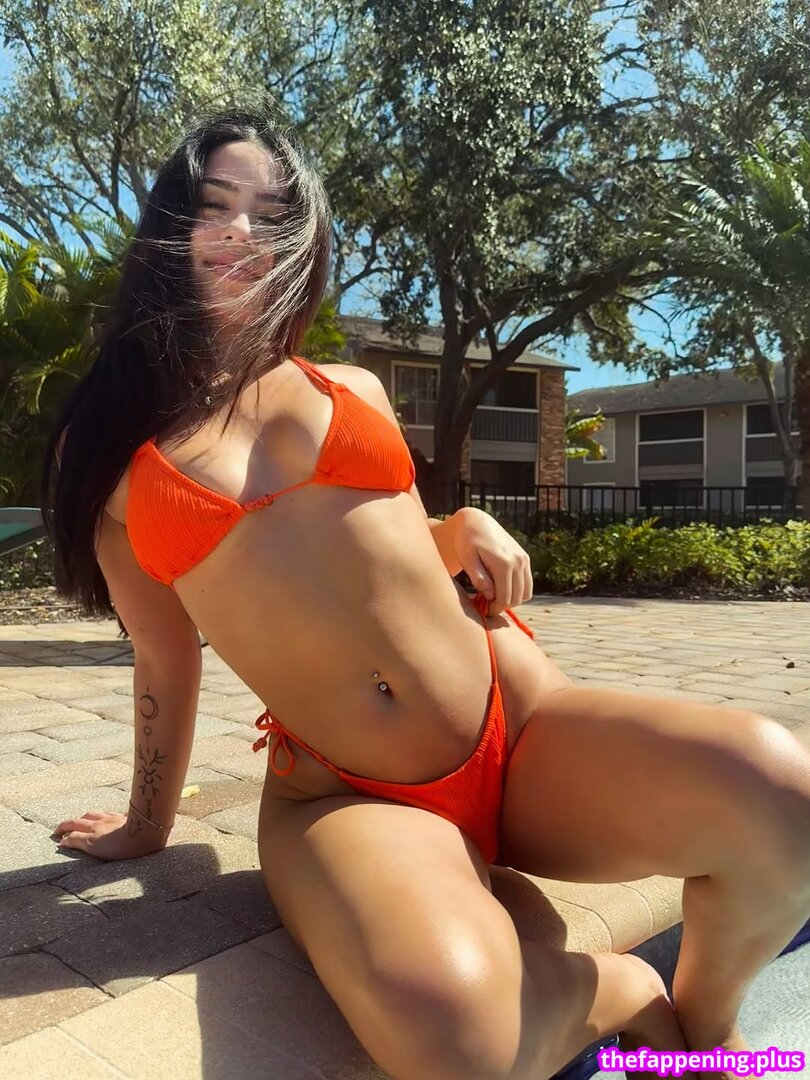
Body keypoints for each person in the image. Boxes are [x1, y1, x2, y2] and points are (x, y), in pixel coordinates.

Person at [42, 105, 810, 1080]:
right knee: (457, 1043)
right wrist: (148, 826)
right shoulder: (109, 454)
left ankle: (705, 1026)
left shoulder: (351, 388)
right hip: (348, 796)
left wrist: (463, 526)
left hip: (520, 728)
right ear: (171, 225)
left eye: (273, 216)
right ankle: (622, 991)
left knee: (779, 792)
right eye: (215, 205)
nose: (243, 232)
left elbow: (383, 545)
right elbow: (165, 654)